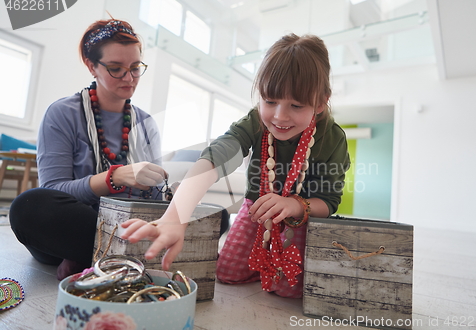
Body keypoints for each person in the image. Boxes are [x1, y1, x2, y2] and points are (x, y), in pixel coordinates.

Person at [121, 33, 350, 298]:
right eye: (270, 101)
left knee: (290, 290)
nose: (279, 116)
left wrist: (293, 205)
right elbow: (218, 155)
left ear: (320, 102)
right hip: (257, 209)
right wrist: (175, 217)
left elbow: (328, 201)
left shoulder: (332, 138)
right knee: (227, 272)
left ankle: (270, 268)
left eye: (296, 105)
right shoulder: (255, 122)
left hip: (301, 218)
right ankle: (262, 265)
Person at [9, 19, 167, 280]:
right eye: (116, 69)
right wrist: (113, 178)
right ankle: (121, 258)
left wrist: (169, 194)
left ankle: (96, 258)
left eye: (136, 67)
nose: (129, 78)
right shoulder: (62, 114)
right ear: (91, 65)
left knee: (212, 217)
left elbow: (153, 201)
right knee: (29, 207)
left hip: (129, 226)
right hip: (75, 226)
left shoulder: (147, 124)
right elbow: (53, 191)